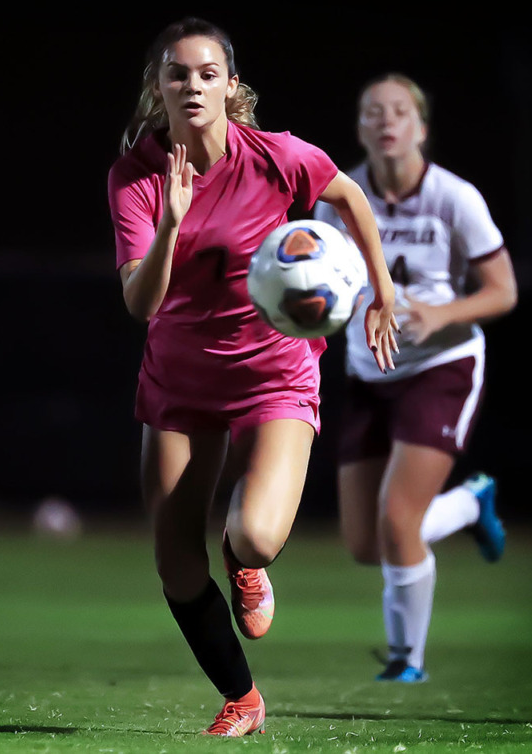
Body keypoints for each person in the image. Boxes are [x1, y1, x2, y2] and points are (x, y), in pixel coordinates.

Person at [107, 17, 399, 737]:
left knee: (256, 536)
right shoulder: (137, 175)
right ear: (159, 87)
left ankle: (245, 562)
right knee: (175, 562)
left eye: (209, 73)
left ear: (230, 86)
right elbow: (139, 304)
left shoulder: (277, 156)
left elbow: (350, 199)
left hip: (275, 375)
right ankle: (242, 699)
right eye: (178, 73)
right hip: (179, 383)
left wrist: (381, 291)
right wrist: (171, 225)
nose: (193, 85)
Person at [314, 73, 518, 683]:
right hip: (367, 369)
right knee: (364, 544)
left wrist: (440, 313)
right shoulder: (339, 199)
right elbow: (325, 284)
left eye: (399, 111)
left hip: (442, 364)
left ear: (421, 127)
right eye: (372, 111)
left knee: (398, 522)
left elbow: (504, 291)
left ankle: (408, 662)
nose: (385, 121)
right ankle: (469, 503)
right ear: (360, 128)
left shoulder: (455, 198)